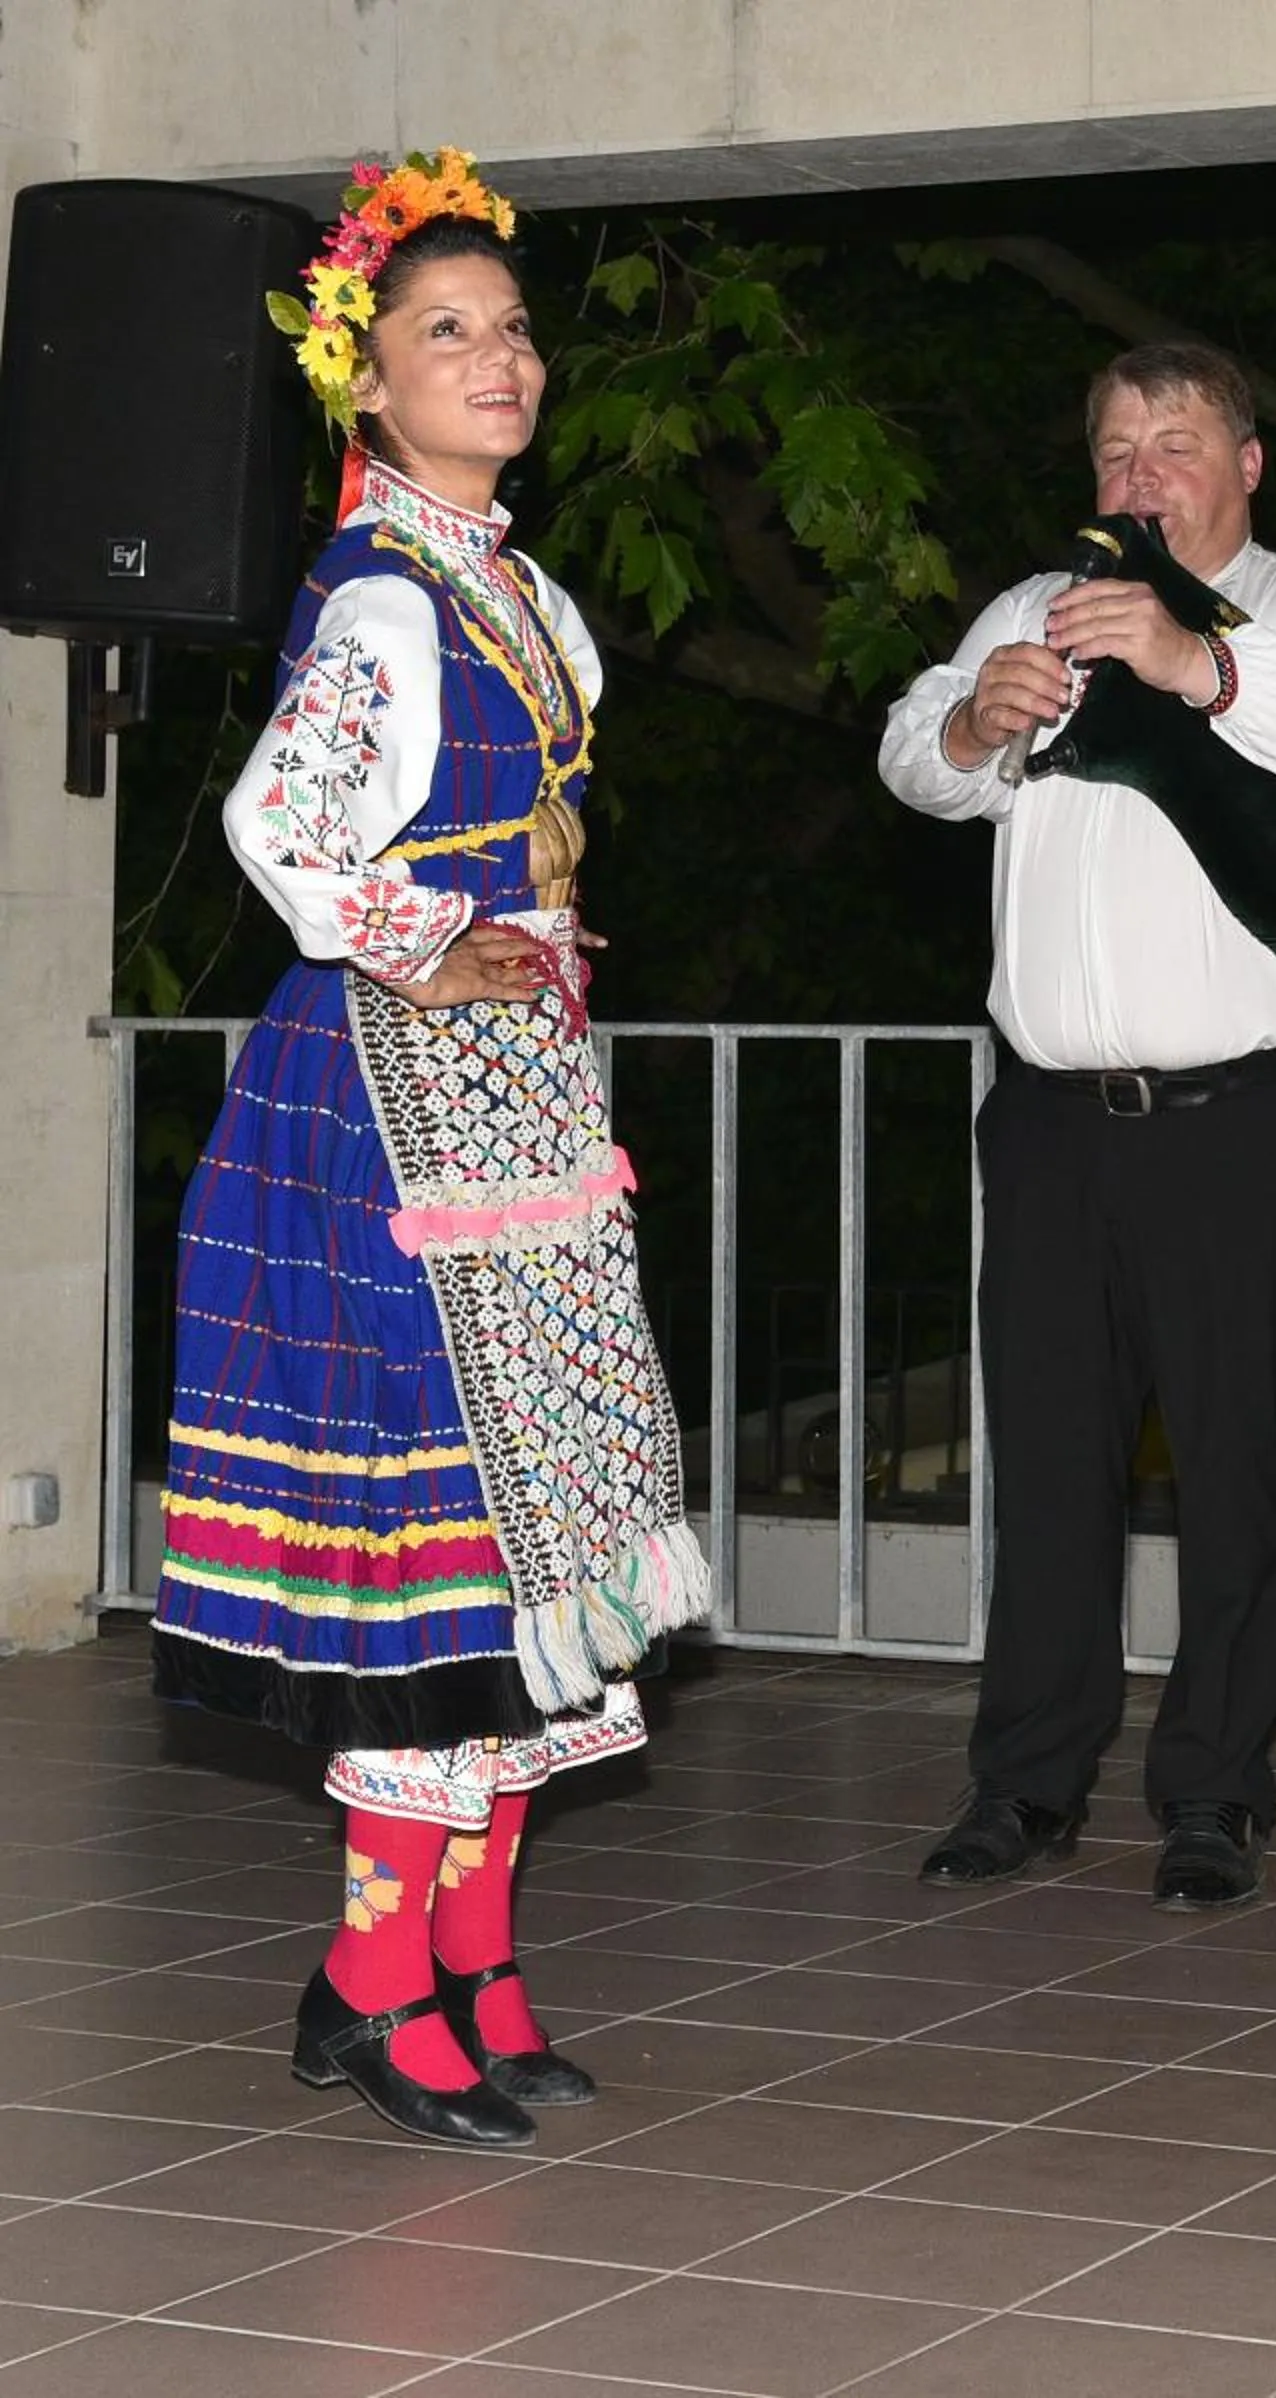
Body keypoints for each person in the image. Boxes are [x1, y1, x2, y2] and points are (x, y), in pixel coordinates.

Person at [150, 152, 707, 2150]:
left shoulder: (518, 588)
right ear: (367, 390)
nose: (504, 360)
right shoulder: (386, 593)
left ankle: (460, 1960)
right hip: (381, 1109)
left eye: (516, 329)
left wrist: (531, 933)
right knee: (433, 1555)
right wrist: (435, 935)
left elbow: (499, 831)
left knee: (532, 1530)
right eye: (448, 334)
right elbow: (286, 835)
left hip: (513, 1095)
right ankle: (390, 1975)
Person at [880, 342, 1276, 1911]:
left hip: (1250, 1120)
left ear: (1245, 465)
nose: (1139, 478)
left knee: (1238, 1469)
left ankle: (1213, 1791)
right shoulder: (1030, 609)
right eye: (1116, 449)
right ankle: (1026, 1781)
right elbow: (911, 760)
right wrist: (978, 722)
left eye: (1173, 446)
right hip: (1053, 1123)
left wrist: (1198, 663)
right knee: (1049, 1465)